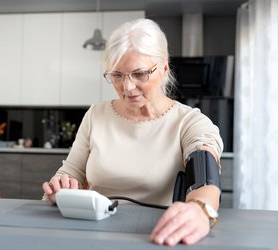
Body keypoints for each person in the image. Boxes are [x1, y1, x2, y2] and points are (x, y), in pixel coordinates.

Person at [42, 18, 223, 246]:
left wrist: (200, 210)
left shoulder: (189, 121)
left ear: (164, 67)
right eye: (117, 75)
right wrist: (60, 187)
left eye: (139, 74)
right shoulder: (96, 115)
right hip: (91, 235)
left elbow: (205, 178)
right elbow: (70, 172)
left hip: (157, 236)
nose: (127, 87)